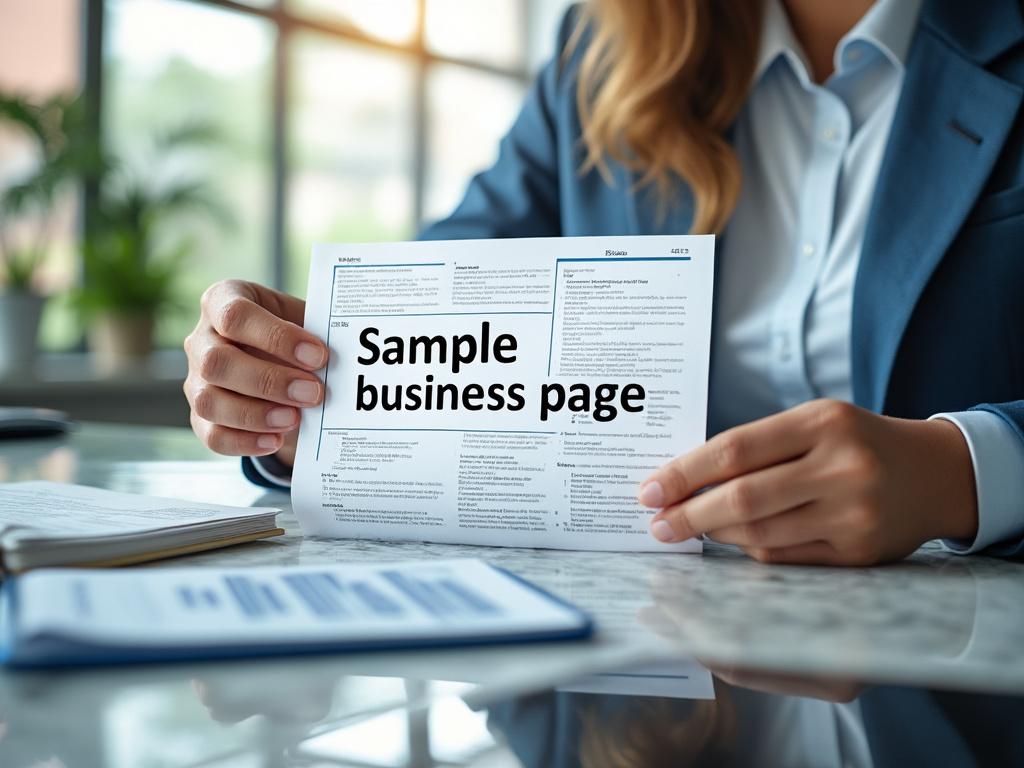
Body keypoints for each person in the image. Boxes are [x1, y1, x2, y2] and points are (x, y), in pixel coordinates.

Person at [183, 0, 1024, 565]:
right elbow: (445, 303)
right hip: (653, 658)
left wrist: (965, 473)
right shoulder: (604, 50)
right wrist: (306, 394)